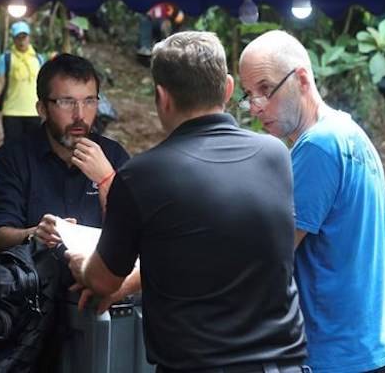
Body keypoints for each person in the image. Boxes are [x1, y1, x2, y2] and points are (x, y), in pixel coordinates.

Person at [66, 31, 307, 372]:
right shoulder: (274, 156)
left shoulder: (141, 176)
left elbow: (104, 281)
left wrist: (82, 265)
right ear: (226, 88)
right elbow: (207, 247)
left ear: (162, 97)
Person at [239, 30, 385, 373]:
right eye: (249, 95)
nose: (256, 107)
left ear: (301, 78)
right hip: (372, 344)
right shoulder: (347, 130)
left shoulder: (317, 146)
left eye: (266, 90)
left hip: (340, 355)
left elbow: (269, 255)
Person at [0, 53, 130, 256]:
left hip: (99, 281)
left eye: (89, 101)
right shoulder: (13, 158)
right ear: (42, 109)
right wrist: (34, 234)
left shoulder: (114, 156)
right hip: (34, 280)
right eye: (66, 102)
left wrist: (107, 181)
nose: (79, 115)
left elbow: (133, 236)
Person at [0, 20, 45, 142]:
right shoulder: (6, 59)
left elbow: (44, 84)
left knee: (34, 148)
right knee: (12, 149)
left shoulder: (39, 59)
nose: (21, 41)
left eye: (24, 37)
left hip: (34, 112)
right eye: (18, 38)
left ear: (29, 38)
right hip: (12, 111)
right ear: (13, 39)